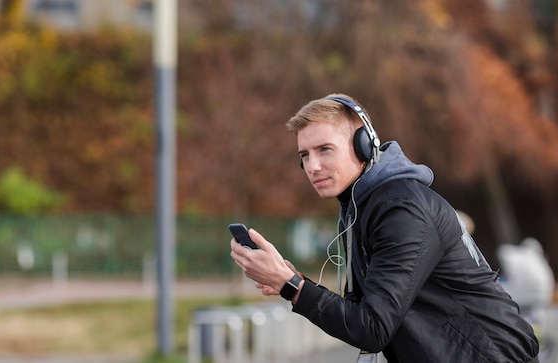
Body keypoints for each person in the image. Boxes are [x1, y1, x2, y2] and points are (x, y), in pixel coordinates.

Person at [230, 93, 540, 363]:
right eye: (304, 155)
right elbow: (359, 314)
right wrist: (292, 280)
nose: (312, 166)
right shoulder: (361, 208)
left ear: (364, 146)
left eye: (324, 149)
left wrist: (291, 286)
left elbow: (372, 328)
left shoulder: (401, 210)